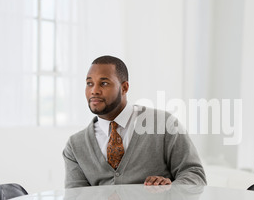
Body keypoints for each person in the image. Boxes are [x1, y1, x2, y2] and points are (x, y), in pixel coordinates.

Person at [63, 55, 207, 188]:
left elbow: (195, 175)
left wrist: (171, 189)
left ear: (124, 88)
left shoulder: (164, 124)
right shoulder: (75, 146)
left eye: (104, 83)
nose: (94, 90)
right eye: (89, 83)